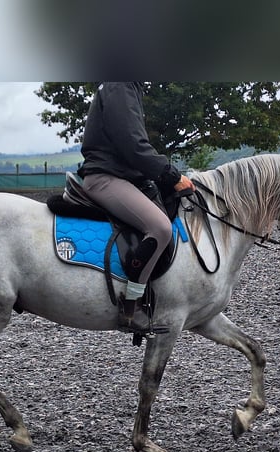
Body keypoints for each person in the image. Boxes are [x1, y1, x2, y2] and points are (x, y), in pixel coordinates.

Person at [77, 82, 195, 333]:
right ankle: (131, 307)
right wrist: (171, 176)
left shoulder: (127, 84)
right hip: (105, 177)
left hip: (122, 175)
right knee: (160, 228)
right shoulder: (120, 84)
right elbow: (133, 145)